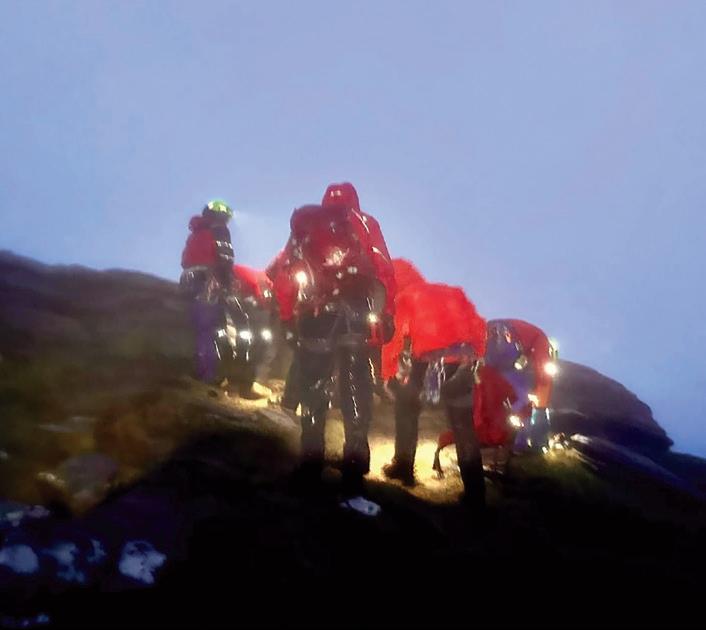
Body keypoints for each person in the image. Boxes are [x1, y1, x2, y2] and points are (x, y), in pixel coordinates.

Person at [274, 182, 396, 493]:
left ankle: (311, 462)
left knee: (314, 386)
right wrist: (386, 313)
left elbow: (287, 271)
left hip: (316, 313)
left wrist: (287, 316)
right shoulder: (366, 223)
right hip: (356, 311)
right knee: (356, 384)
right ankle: (354, 463)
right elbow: (384, 269)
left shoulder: (307, 223)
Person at [381, 268, 487, 508]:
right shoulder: (454, 293)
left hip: (430, 363)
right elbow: (479, 326)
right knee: (464, 428)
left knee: (406, 408)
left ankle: (403, 468)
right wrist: (475, 357)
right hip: (463, 364)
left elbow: (394, 338)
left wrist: (388, 374)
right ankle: (476, 493)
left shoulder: (405, 297)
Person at [180, 199, 238, 384]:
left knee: (199, 328)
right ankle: (209, 375)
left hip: (188, 281)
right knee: (212, 329)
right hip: (209, 282)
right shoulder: (219, 230)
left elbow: (184, 260)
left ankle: (201, 370)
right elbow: (225, 258)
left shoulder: (195, 233)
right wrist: (227, 284)